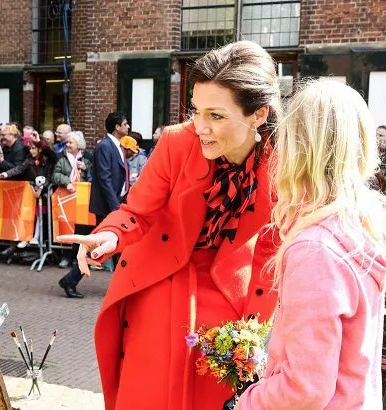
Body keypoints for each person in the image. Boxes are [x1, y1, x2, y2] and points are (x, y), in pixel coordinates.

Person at [57, 40, 282, 409]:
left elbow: (271, 252)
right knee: (148, 385)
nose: (201, 127)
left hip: (228, 291)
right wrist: (110, 235)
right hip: (161, 274)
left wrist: (253, 329)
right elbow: (138, 210)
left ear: (258, 114)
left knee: (217, 393)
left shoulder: (280, 163)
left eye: (217, 115)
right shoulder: (178, 142)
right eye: (196, 111)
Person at [237, 80, 386, 408]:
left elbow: (306, 387)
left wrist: (247, 402)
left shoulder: (315, 249)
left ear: (297, 148)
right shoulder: (356, 228)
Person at [53, 131, 94, 291]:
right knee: (68, 228)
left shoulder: (87, 157)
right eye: (67, 142)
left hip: (84, 200)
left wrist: (86, 167)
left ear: (79, 144)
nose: (68, 145)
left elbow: (93, 173)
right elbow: (55, 174)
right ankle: (67, 257)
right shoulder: (62, 158)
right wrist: (65, 182)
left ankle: (79, 261)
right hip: (67, 200)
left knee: (82, 231)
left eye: (70, 142)